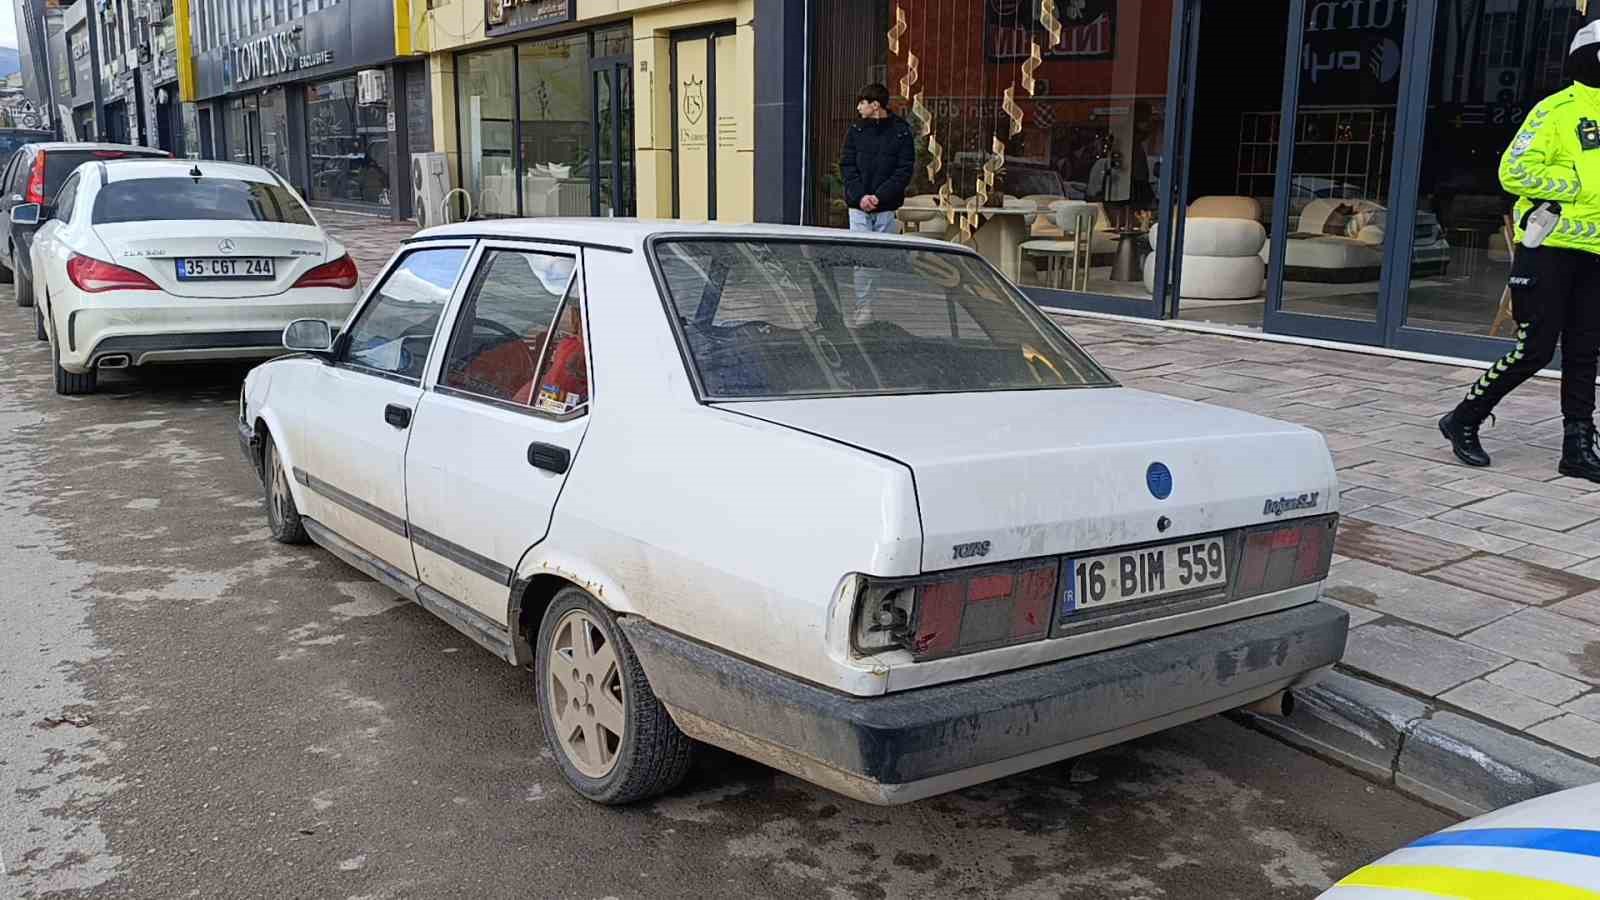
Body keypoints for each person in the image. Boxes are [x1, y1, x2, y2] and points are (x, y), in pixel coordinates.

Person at [1440, 21, 1600, 483]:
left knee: (1585, 351)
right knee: (1534, 348)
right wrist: (1578, 187)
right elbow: (1514, 172)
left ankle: (1578, 445)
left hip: (1595, 252)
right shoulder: (1555, 110)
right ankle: (1464, 418)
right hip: (1549, 246)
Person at [840, 83, 915, 234]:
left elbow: (904, 170)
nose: (858, 108)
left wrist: (879, 197)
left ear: (875, 105)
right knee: (860, 254)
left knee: (886, 254)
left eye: (862, 103)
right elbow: (847, 166)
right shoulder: (856, 130)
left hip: (886, 208)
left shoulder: (901, 131)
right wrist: (861, 197)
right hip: (858, 207)